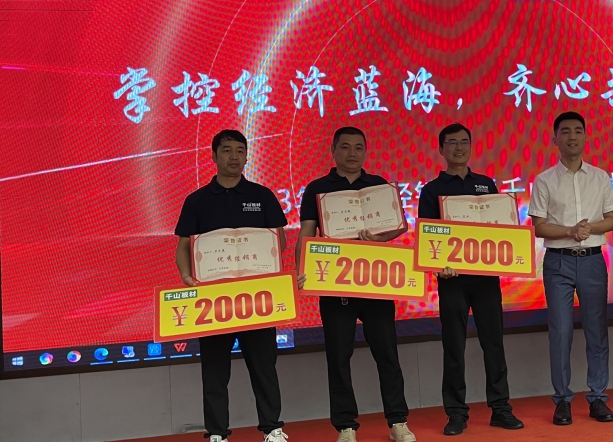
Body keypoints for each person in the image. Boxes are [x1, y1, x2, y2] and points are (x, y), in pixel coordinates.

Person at [296, 127, 416, 442]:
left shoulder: (379, 185)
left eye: (358, 147)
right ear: (333, 150)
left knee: (387, 353)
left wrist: (380, 238)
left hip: (374, 282)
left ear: (365, 151)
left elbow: (398, 227)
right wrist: (301, 268)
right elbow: (307, 232)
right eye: (346, 147)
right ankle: (346, 426)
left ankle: (398, 421)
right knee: (338, 357)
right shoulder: (318, 189)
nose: (352, 153)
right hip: (336, 284)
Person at [174, 130, 289, 442]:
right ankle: (217, 433)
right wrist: (187, 277)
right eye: (226, 151)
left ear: (247, 156)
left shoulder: (262, 196)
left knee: (264, 367)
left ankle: (272, 428)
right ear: (214, 156)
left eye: (240, 150)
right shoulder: (197, 200)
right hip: (214, 299)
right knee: (214, 371)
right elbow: (184, 247)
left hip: (256, 297)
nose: (234, 157)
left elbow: (279, 242)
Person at [418, 123, 525, 436]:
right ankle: (456, 413)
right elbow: (427, 234)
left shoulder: (485, 184)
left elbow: (499, 228)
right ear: (441, 148)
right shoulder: (432, 190)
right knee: (454, 347)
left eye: (464, 141)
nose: (459, 147)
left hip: (485, 278)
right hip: (452, 280)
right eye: (452, 142)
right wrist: (438, 265)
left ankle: (501, 408)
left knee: (494, 343)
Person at [528, 111, 613, 425]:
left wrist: (587, 229)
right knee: (561, 331)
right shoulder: (544, 180)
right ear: (555, 139)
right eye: (565, 131)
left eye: (578, 131)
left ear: (585, 136)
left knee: (597, 330)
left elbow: (611, 220)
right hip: (558, 262)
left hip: (593, 260)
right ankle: (563, 400)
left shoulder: (601, 177)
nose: (572, 137)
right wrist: (570, 231)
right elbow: (539, 227)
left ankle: (598, 398)